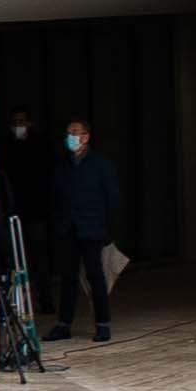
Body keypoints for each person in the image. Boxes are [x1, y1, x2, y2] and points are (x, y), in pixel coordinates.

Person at [44, 120, 123, 345]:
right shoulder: (62, 166)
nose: (71, 136)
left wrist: (108, 229)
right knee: (68, 277)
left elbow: (112, 198)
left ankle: (102, 323)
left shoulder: (101, 164)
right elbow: (54, 197)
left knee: (95, 275)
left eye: (76, 132)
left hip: (92, 228)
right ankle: (64, 324)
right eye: (69, 133)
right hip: (68, 229)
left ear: (86, 137)